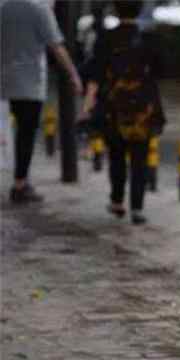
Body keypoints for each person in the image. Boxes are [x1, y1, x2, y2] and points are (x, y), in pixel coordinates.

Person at [79, 0, 165, 225]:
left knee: (116, 154)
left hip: (113, 107)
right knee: (140, 158)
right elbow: (159, 71)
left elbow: (96, 74)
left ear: (115, 10)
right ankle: (137, 208)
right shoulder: (149, 39)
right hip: (143, 109)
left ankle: (117, 201)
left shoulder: (106, 38)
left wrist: (87, 105)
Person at [0, 0, 83, 204]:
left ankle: (21, 182)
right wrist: (73, 74)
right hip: (30, 81)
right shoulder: (39, 9)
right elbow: (56, 46)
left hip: (5, 78)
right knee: (25, 133)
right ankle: (20, 184)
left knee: (16, 131)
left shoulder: (4, 8)